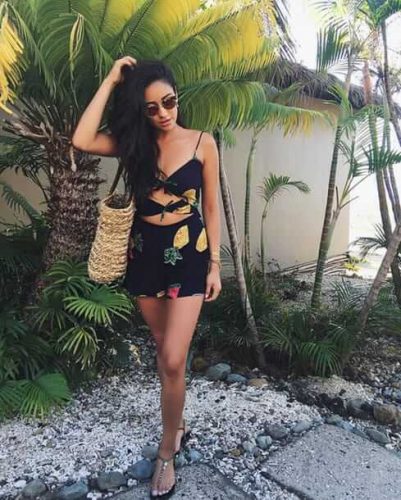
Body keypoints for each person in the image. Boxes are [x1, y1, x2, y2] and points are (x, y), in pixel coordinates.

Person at [72, 56, 222, 498]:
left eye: (168, 102)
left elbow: (210, 207)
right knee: (161, 347)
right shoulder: (134, 144)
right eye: (151, 107)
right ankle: (177, 421)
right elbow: (82, 138)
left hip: (189, 253)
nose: (163, 113)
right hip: (144, 252)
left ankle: (167, 451)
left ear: (178, 96)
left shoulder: (202, 142)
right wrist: (111, 79)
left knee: (173, 359)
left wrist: (215, 263)